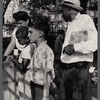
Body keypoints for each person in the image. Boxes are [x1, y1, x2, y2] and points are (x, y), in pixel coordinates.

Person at [59, 0, 98, 100]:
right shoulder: (71, 24)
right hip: (67, 71)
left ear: (69, 9)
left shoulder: (85, 19)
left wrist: (75, 48)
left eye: (62, 10)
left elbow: (95, 43)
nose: (61, 13)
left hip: (78, 71)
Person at [28, 14, 55, 100]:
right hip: (35, 85)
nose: (28, 35)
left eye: (31, 32)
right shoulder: (37, 49)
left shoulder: (45, 50)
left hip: (42, 88)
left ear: (40, 34)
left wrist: (45, 96)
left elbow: (47, 74)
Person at [10, 26, 35, 100]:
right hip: (28, 75)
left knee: (25, 96)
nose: (18, 42)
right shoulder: (31, 46)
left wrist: (14, 60)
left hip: (25, 75)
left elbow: (23, 66)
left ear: (27, 39)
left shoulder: (27, 50)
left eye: (20, 40)